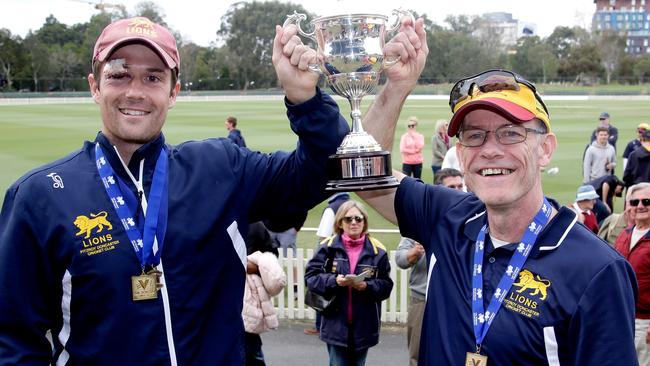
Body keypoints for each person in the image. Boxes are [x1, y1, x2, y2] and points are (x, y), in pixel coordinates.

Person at [0, 17, 350, 365]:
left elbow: (325, 171)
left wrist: (305, 99)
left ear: (173, 92)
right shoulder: (40, 196)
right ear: (95, 86)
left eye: (153, 77)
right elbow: (12, 341)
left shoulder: (221, 169)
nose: (135, 91)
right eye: (119, 74)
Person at [359, 67, 638, 364]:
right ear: (462, 154)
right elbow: (364, 172)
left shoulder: (597, 270)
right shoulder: (447, 217)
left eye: (511, 133)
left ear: (545, 149)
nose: (490, 150)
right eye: (475, 135)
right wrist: (397, 86)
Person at [305, 200, 393, 366]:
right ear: (340, 222)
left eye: (358, 219)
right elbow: (311, 279)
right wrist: (334, 281)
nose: (354, 222)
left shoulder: (377, 251)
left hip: (364, 324)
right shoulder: (327, 247)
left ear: (364, 221)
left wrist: (366, 286)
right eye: (348, 219)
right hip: (335, 323)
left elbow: (386, 286)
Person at [396, 168, 464, 366]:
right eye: (452, 187)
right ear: (439, 190)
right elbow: (400, 259)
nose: (458, 191)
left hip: (459, 303)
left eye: (461, 186)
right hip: (423, 300)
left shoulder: (474, 220)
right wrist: (414, 253)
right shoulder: (422, 221)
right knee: (418, 354)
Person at [305, 192, 351, 335]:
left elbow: (323, 238)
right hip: (349, 256)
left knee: (324, 290)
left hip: (331, 257)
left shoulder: (332, 208)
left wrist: (317, 259)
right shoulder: (350, 206)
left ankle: (320, 325)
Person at [615, 182, 650, 364]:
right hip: (622, 318)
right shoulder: (625, 234)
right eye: (635, 202)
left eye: (646, 201)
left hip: (645, 322)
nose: (640, 206)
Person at [242, 221, 283, 366]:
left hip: (247, 300)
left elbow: (271, 257)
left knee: (250, 351)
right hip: (223, 302)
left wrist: (255, 265)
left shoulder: (254, 224)